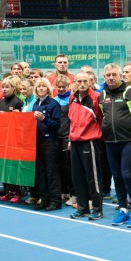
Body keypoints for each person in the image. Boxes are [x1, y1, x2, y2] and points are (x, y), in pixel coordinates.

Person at [100, 63, 131, 226]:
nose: (111, 78)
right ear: (104, 77)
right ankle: (123, 209)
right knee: (117, 176)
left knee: (127, 175)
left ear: (120, 76)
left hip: (128, 141)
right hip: (110, 142)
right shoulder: (102, 95)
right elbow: (103, 115)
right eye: (108, 75)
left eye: (114, 75)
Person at [69, 71, 105, 220]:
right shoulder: (72, 98)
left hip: (90, 141)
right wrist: (70, 139)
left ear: (90, 82)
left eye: (85, 81)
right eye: (79, 81)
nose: (82, 84)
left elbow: (102, 119)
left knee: (93, 177)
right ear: (75, 83)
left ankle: (97, 209)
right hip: (74, 141)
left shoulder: (96, 97)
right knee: (77, 177)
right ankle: (83, 208)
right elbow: (71, 119)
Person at [30, 78, 63, 211]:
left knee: (51, 172)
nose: (41, 89)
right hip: (38, 141)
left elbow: (57, 125)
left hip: (50, 141)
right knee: (40, 172)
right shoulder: (35, 104)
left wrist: (44, 119)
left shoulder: (53, 104)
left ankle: (55, 201)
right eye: (39, 87)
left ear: (48, 89)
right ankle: (44, 199)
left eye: (44, 86)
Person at [0, 76, 26, 202]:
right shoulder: (0, 103)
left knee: (13, 166)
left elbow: (21, 121)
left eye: (7, 87)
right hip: (2, 137)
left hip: (14, 138)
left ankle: (16, 192)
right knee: (4, 165)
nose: (4, 89)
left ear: (13, 88)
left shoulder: (18, 102)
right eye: (3, 87)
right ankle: (8, 191)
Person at [54, 74, 75, 206]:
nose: (61, 89)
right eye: (59, 87)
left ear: (69, 86)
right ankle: (63, 192)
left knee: (69, 168)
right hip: (56, 137)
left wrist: (70, 138)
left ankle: (74, 194)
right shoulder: (54, 100)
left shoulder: (71, 100)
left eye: (64, 87)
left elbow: (74, 120)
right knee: (59, 166)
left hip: (67, 137)